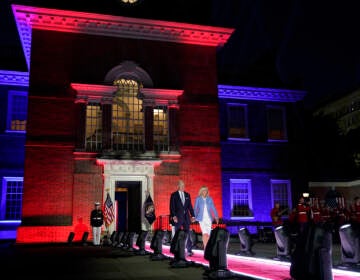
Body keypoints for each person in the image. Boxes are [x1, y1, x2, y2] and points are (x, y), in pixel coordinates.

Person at [170, 179, 196, 256]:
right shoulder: (174, 195)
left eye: (184, 185)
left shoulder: (187, 195)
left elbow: (190, 207)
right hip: (178, 217)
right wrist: (174, 216)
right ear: (178, 186)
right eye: (181, 185)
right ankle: (176, 249)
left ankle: (189, 250)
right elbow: (172, 207)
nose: (183, 187)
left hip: (186, 218)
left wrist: (193, 215)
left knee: (187, 233)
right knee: (177, 234)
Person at [194, 186, 219, 250]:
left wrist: (216, 216)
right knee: (204, 233)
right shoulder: (198, 199)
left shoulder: (210, 199)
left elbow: (213, 208)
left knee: (208, 234)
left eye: (206, 190)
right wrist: (193, 216)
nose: (205, 192)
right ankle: (205, 249)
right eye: (203, 190)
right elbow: (195, 209)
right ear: (201, 191)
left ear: (207, 191)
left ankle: (207, 248)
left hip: (209, 219)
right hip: (201, 219)